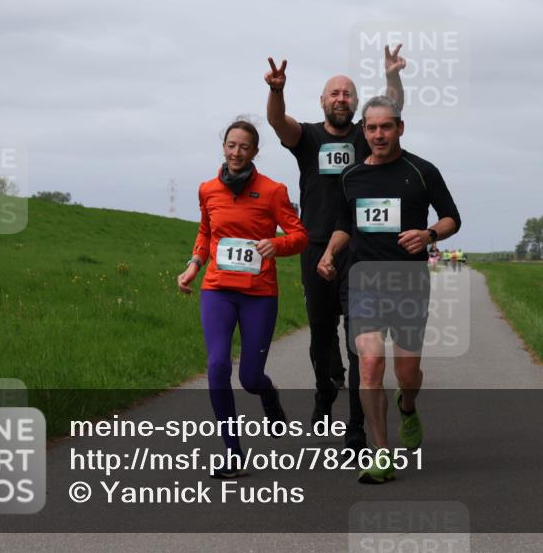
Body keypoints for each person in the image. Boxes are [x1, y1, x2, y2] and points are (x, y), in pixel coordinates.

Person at [265, 46, 406, 451]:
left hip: (359, 251)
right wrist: (277, 91)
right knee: (321, 334)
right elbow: (277, 122)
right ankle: (324, 392)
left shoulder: (367, 135)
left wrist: (392, 75)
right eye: (334, 94)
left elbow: (391, 107)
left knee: (357, 338)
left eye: (348, 94)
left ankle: (357, 428)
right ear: (323, 101)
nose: (341, 99)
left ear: (356, 104)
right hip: (315, 245)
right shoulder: (307, 137)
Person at [318, 96, 460, 484]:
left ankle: (408, 407)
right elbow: (345, 224)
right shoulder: (351, 177)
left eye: (386, 126)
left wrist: (429, 234)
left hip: (409, 282)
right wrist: (330, 253)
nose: (379, 134)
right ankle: (381, 454)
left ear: (400, 127)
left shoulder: (421, 171)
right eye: (371, 128)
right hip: (365, 281)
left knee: (407, 371)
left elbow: (452, 218)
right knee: (369, 364)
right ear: (364, 131)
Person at [177, 119, 308, 478]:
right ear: (224, 147)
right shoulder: (208, 190)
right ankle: (233, 453)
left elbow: (299, 236)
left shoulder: (272, 191)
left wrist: (275, 244)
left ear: (255, 152)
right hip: (218, 290)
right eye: (231, 145)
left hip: (259, 295)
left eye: (244, 147)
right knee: (217, 365)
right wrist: (193, 265)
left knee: (250, 377)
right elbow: (205, 233)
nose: (236, 152)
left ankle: (268, 395)